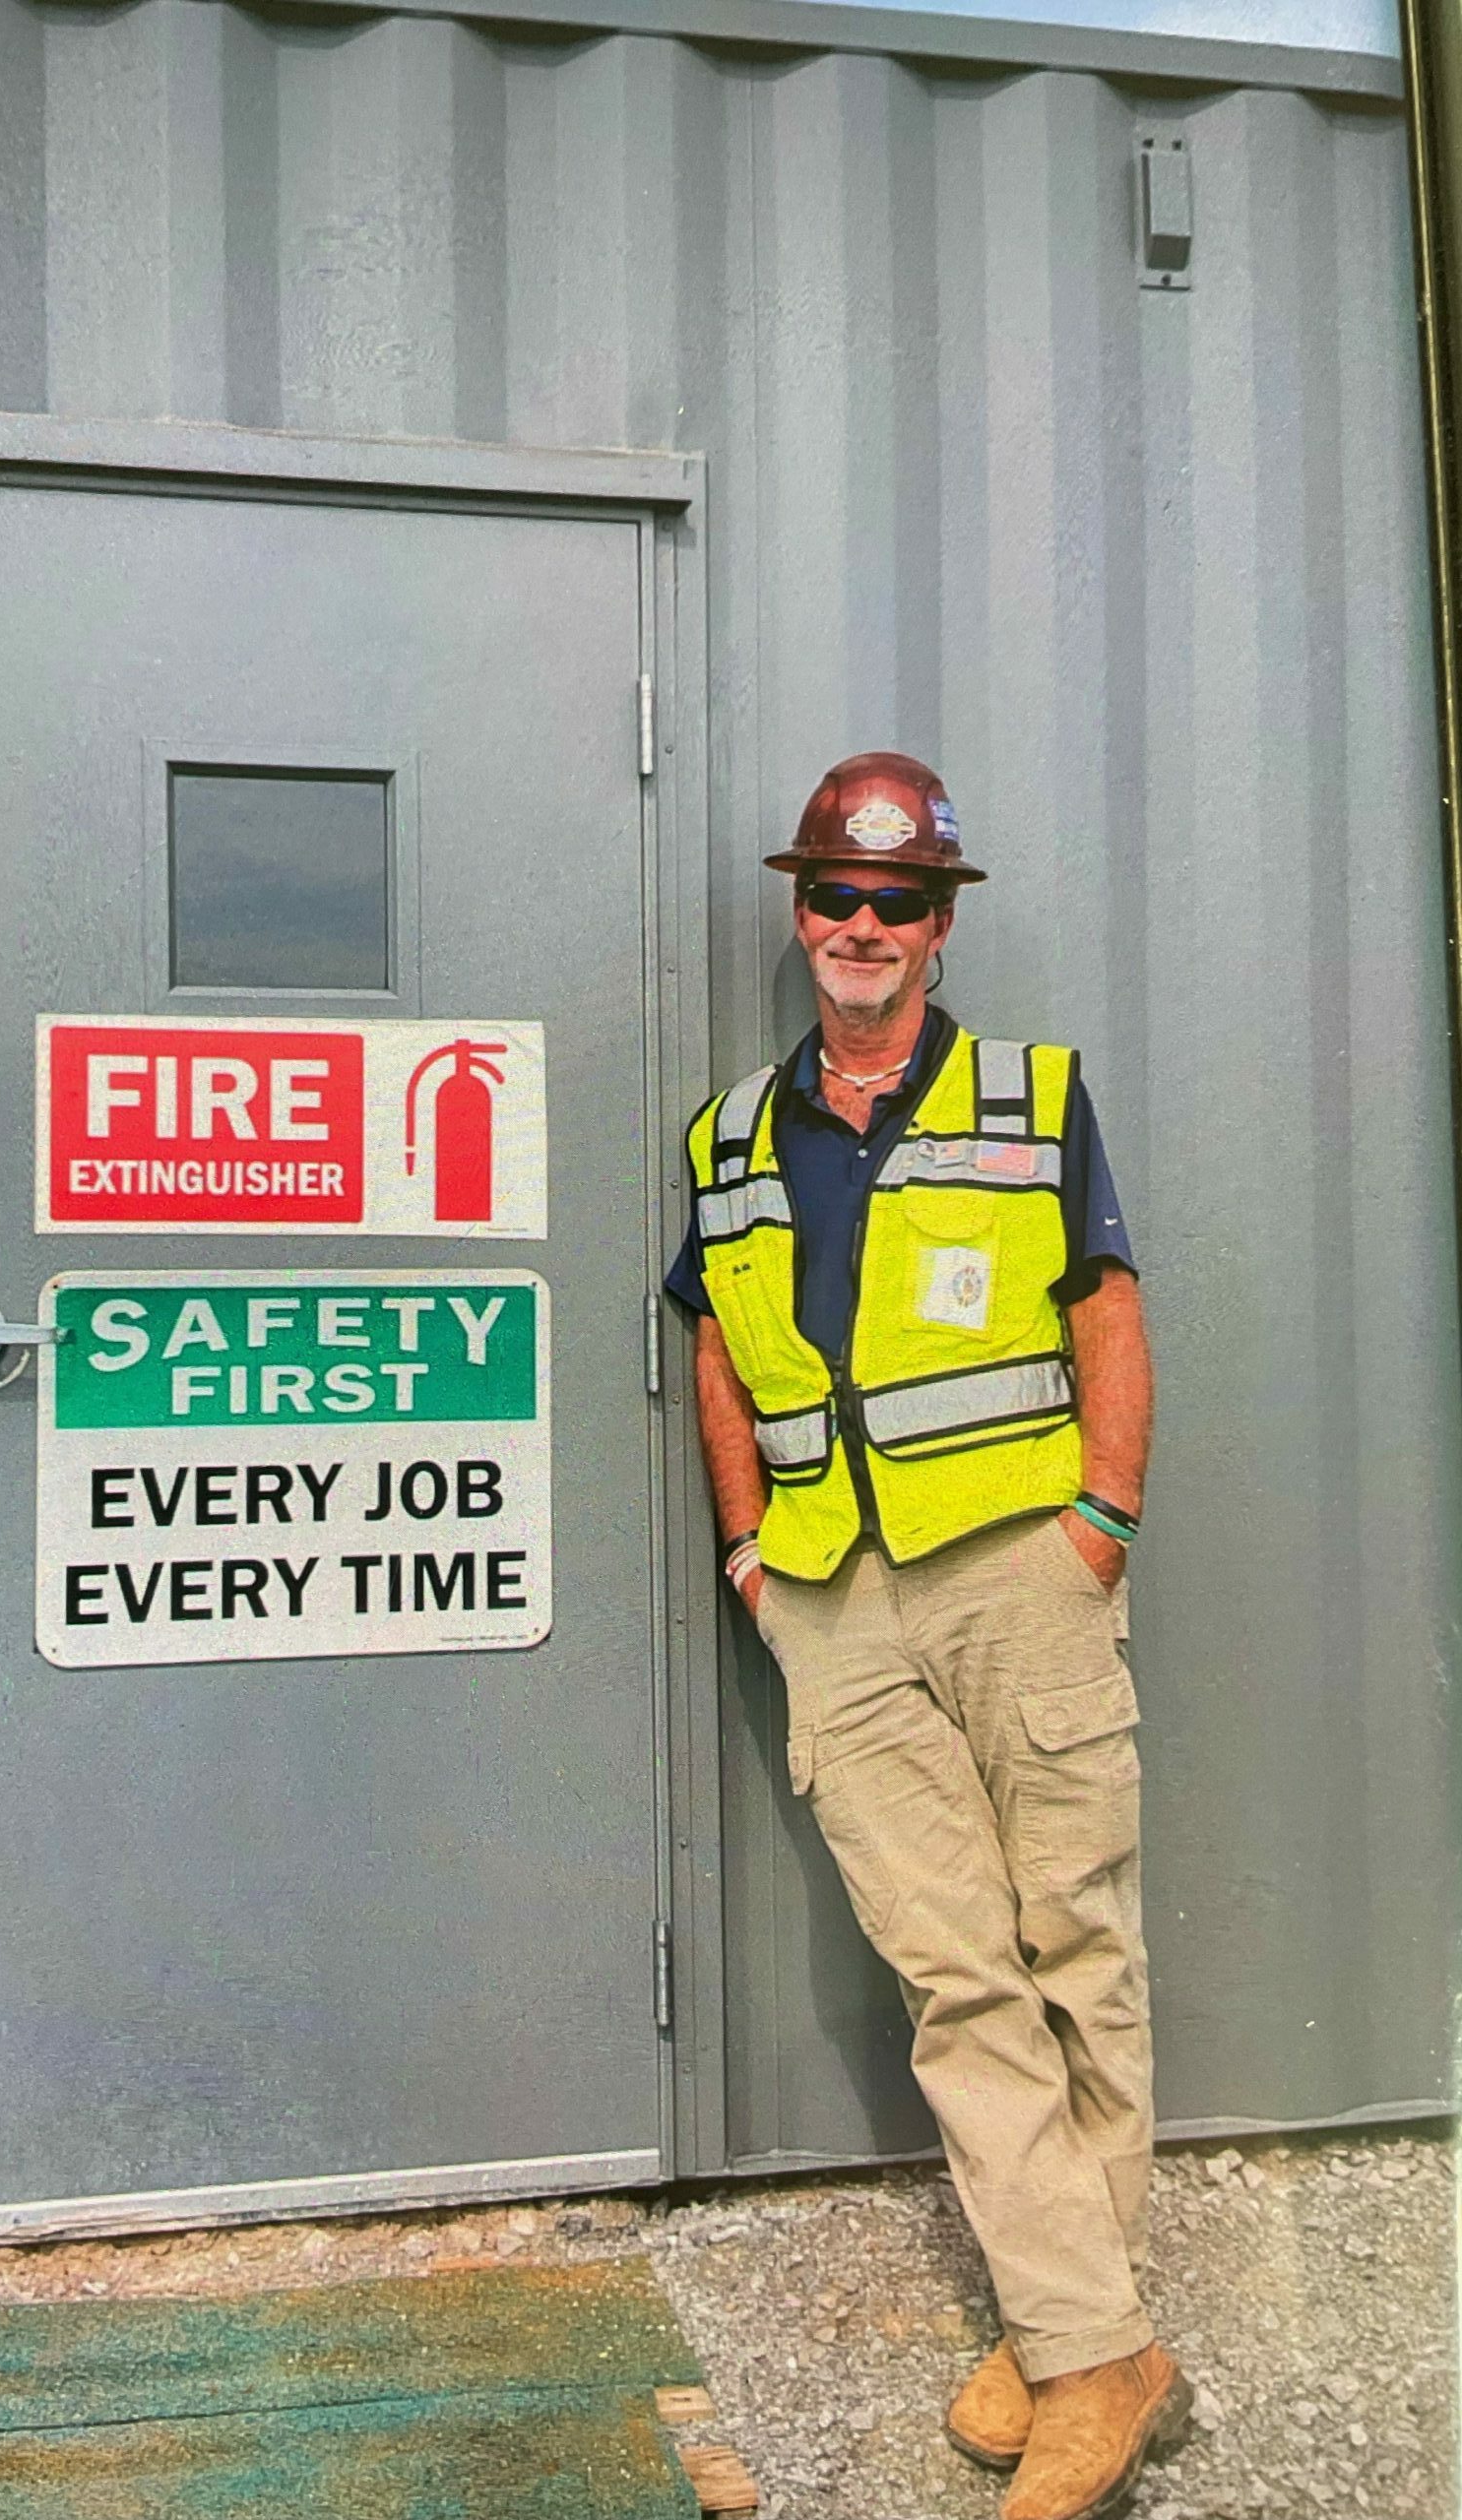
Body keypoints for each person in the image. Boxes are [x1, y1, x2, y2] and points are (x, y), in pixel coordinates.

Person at [666, 752, 1191, 2520]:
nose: (863, 927)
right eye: (835, 896)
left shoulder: (1035, 1099)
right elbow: (720, 1353)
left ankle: (1073, 2345)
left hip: (1016, 1572)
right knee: (955, 1972)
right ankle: (1099, 2349)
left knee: (1079, 1950)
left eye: (898, 902)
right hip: (833, 1593)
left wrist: (1103, 1520)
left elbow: (1103, 1307)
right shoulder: (731, 1134)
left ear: (943, 924)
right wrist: (747, 1546)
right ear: (799, 914)